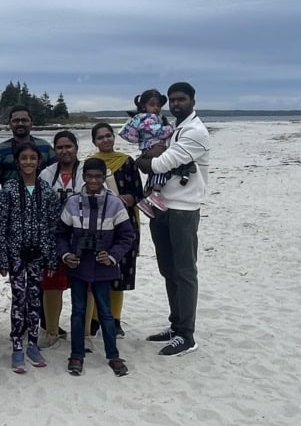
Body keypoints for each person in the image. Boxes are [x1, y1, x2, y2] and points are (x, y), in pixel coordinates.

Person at [136, 82, 210, 357]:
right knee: (168, 270)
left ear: (192, 100)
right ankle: (176, 324)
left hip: (183, 209)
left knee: (185, 272)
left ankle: (186, 335)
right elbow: (153, 157)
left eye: (181, 99)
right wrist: (148, 156)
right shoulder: (174, 130)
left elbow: (158, 165)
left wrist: (144, 159)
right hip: (161, 206)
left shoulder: (196, 132)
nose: (176, 104)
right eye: (172, 100)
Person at [56, 158, 135, 378]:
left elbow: (127, 235)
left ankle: (113, 355)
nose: (93, 180)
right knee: (78, 312)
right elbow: (60, 233)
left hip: (103, 267)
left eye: (98, 177)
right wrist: (66, 255)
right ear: (83, 177)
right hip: (79, 266)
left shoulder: (115, 203)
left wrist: (112, 256)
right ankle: (76, 354)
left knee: (105, 313)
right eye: (89, 176)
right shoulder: (72, 202)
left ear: (103, 178)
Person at [0, 141, 60, 372]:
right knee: (18, 298)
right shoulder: (8, 190)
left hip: (38, 255)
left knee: (34, 298)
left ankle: (32, 343)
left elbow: (53, 227)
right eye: (24, 158)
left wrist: (51, 258)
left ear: (39, 162)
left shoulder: (48, 192)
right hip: (16, 255)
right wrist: (2, 258)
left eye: (33, 158)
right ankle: (16, 345)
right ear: (18, 162)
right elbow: (0, 226)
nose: (29, 162)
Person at [89, 122, 142, 340]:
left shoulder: (127, 162)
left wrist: (119, 201)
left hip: (124, 223)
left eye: (108, 136)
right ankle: (93, 319)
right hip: (97, 225)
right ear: (94, 142)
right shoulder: (91, 164)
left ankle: (115, 319)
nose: (105, 140)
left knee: (119, 272)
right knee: (95, 272)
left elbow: (138, 192)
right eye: (100, 137)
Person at [36, 130, 85, 348]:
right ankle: (52, 331)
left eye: (69, 146)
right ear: (54, 150)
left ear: (76, 147)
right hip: (54, 236)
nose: (64, 151)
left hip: (83, 235)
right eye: (60, 147)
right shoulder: (46, 174)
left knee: (85, 283)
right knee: (51, 283)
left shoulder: (86, 172)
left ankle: (84, 334)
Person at [118, 89, 173, 217]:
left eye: (158, 105)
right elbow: (159, 132)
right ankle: (156, 193)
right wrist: (170, 129)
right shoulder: (148, 118)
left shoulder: (142, 118)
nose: (156, 108)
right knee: (162, 168)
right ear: (144, 106)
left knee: (154, 171)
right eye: (152, 105)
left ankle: (147, 196)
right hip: (152, 146)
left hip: (148, 147)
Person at [0, 105, 54, 194]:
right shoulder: (0, 150)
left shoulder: (45, 148)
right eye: (16, 121)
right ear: (10, 124)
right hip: (9, 203)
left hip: (41, 202)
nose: (20, 123)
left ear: (31, 123)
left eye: (24, 120)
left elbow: (55, 176)